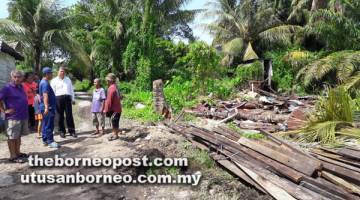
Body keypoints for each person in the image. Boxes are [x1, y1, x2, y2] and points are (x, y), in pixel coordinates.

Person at [0, 70, 29, 163]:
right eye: (15, 77)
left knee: (18, 136)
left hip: (22, 116)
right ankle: (13, 156)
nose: (17, 78)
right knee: (12, 137)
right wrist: (4, 111)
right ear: (11, 77)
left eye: (19, 77)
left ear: (22, 78)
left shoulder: (21, 86)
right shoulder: (7, 88)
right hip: (12, 117)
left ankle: (18, 152)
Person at [50, 66, 76, 138]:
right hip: (58, 99)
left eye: (63, 71)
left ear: (65, 72)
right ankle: (62, 131)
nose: (62, 72)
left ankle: (72, 131)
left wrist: (73, 99)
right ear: (58, 72)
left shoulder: (68, 79)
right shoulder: (54, 81)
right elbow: (52, 92)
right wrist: (52, 101)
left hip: (67, 98)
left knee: (69, 115)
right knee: (60, 116)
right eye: (61, 71)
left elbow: (71, 90)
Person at [39, 67, 60, 148]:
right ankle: (50, 141)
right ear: (47, 74)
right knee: (49, 125)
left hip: (45, 107)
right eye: (51, 73)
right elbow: (45, 95)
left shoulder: (43, 82)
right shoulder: (45, 83)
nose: (52, 75)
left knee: (45, 124)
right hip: (48, 107)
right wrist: (47, 107)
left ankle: (45, 140)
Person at [103, 73, 122, 141]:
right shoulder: (116, 87)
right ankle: (115, 133)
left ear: (110, 81)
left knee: (114, 122)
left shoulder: (111, 88)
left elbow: (109, 100)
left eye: (107, 80)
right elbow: (120, 97)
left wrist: (106, 109)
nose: (106, 82)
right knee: (115, 121)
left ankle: (115, 135)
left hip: (115, 109)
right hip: (117, 108)